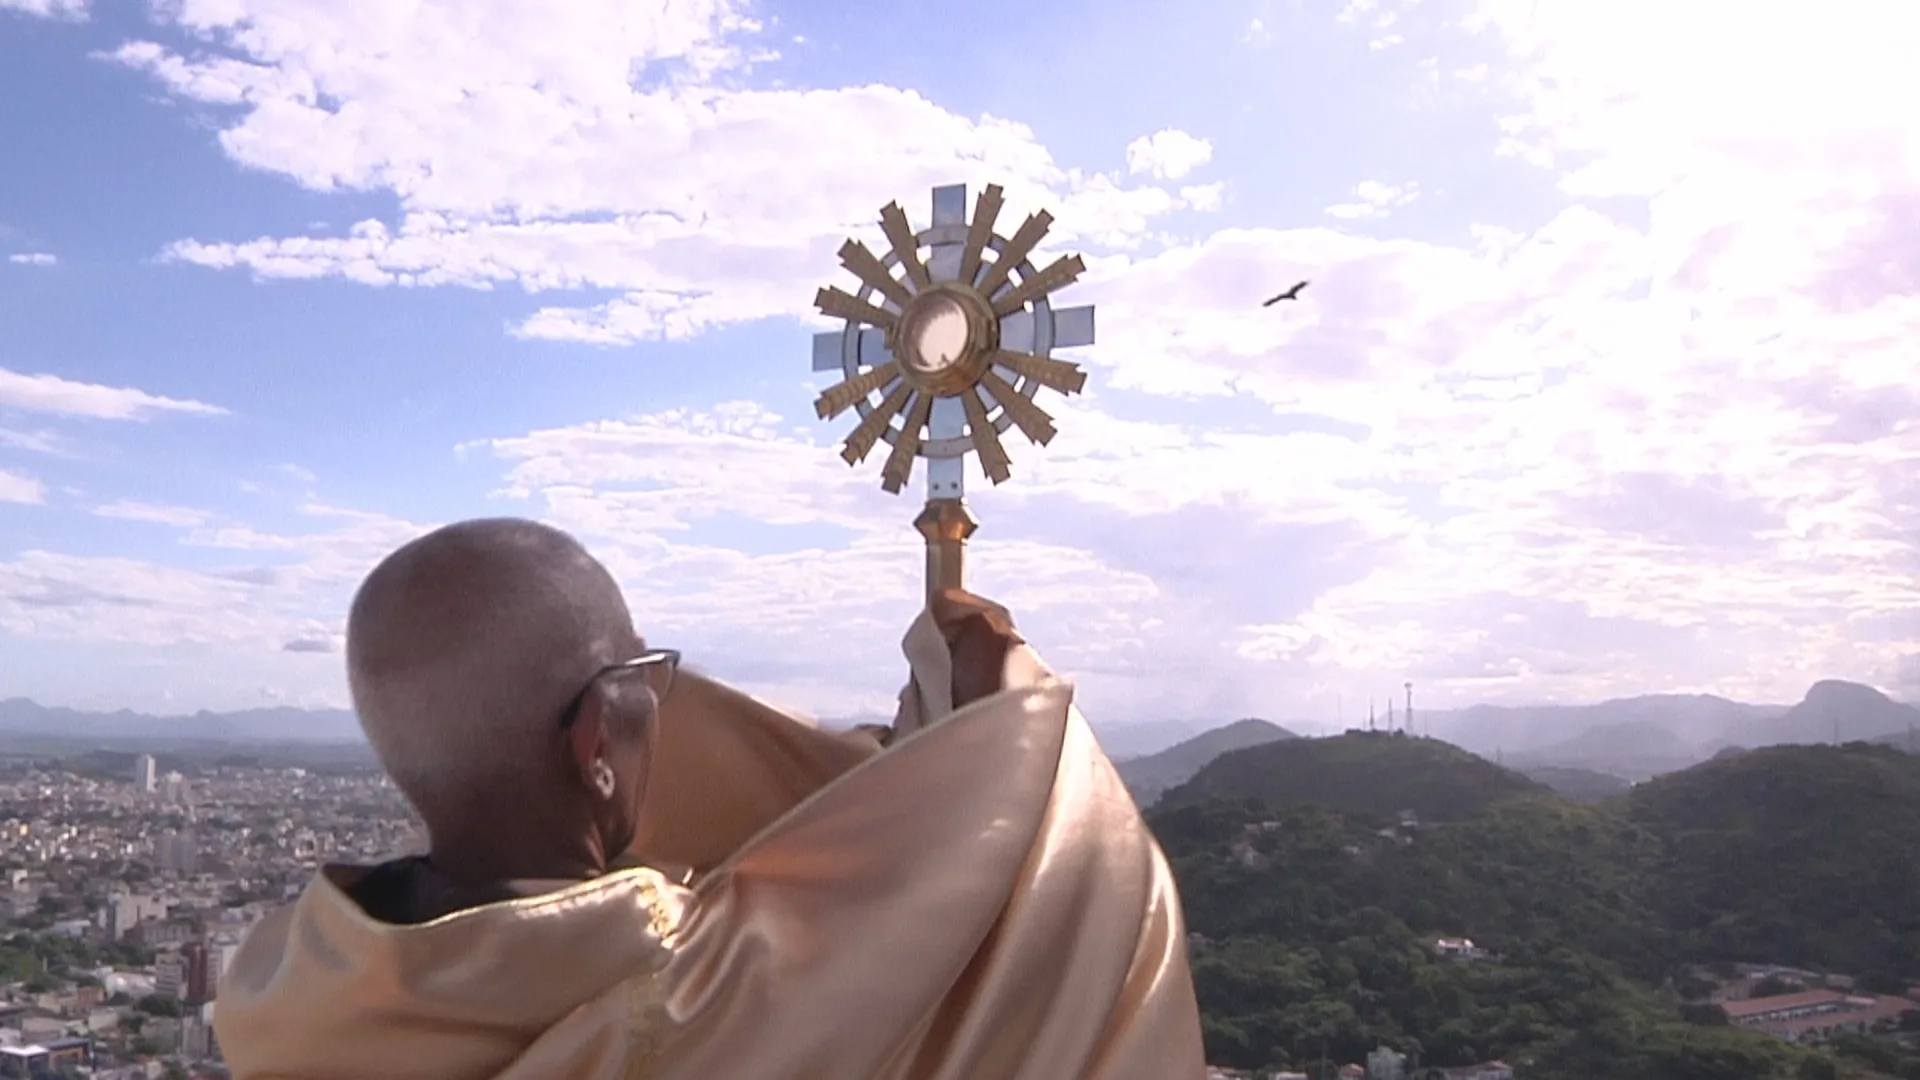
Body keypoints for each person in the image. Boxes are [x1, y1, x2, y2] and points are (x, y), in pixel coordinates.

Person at [212, 517, 1207, 1079]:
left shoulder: (288, 1005)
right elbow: (1061, 876)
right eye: (644, 675)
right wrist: (995, 695)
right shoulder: (716, 992)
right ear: (598, 738)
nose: (666, 702)